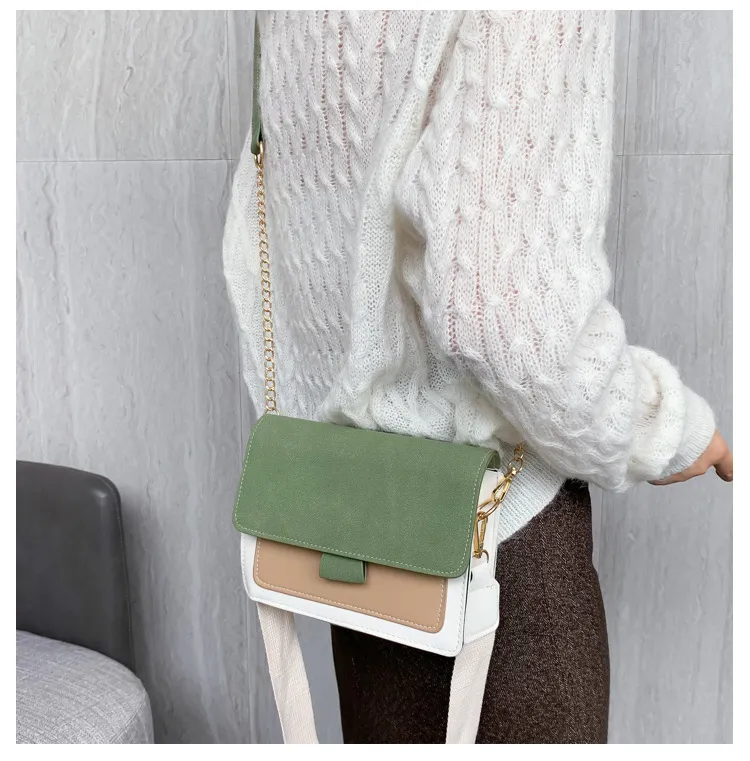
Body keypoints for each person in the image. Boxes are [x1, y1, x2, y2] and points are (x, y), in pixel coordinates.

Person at [223, 10, 732, 744]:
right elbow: (498, 310)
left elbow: (265, 244)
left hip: (355, 522)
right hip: (499, 541)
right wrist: (662, 427)